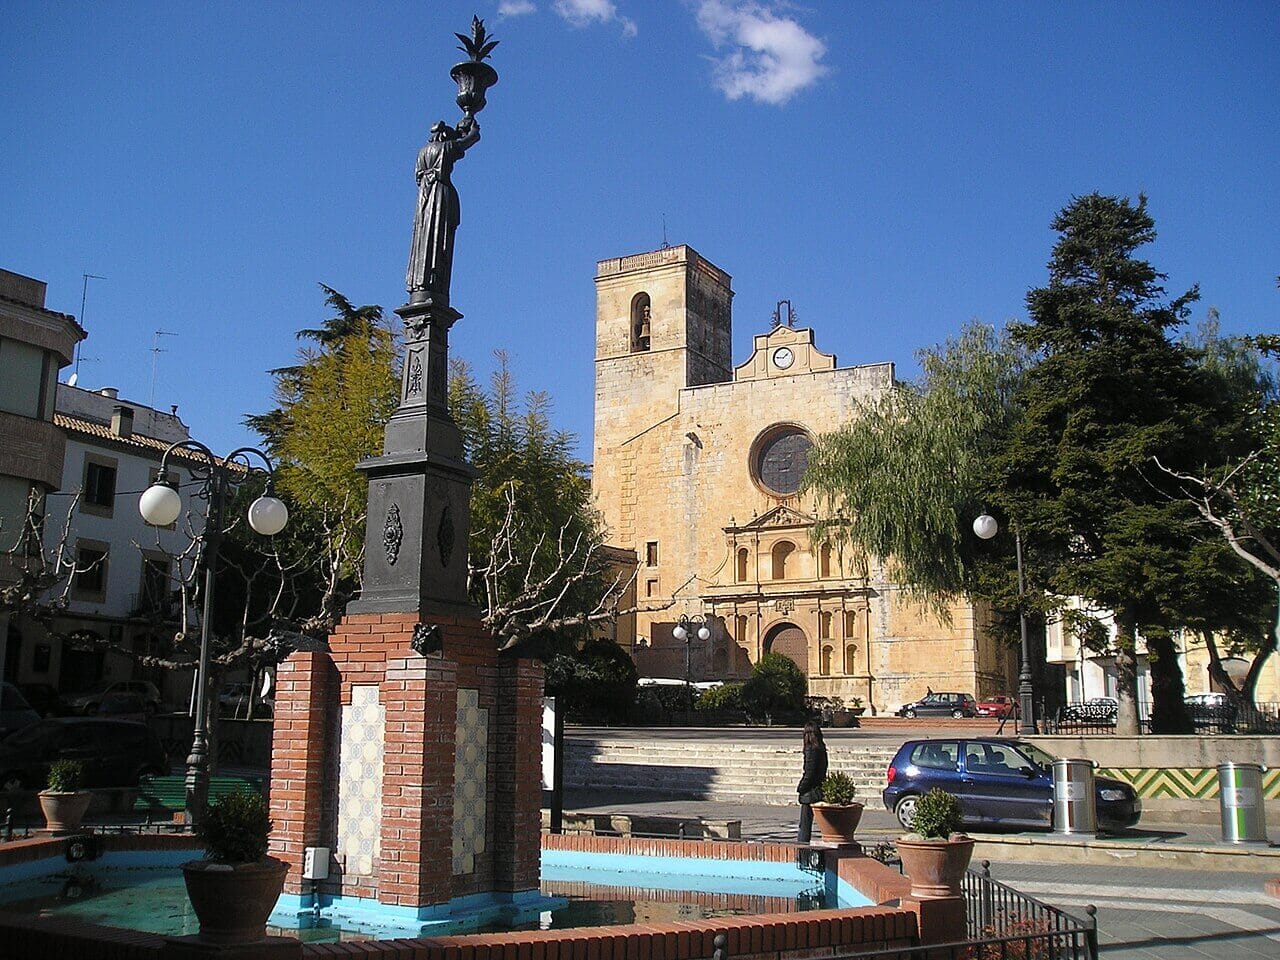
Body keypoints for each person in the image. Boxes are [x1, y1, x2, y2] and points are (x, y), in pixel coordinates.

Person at [405, 115, 481, 306]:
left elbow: (417, 177)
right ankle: (432, 278)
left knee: (424, 238)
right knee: (438, 237)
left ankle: (420, 280)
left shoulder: (422, 152)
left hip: (424, 198)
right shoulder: (445, 148)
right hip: (439, 195)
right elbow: (470, 140)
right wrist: (472, 126)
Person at [796, 719, 828, 843]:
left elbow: (809, 772)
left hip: (810, 791)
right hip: (819, 787)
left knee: (805, 824)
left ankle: (802, 848)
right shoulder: (821, 748)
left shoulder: (811, 749)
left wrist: (801, 788)